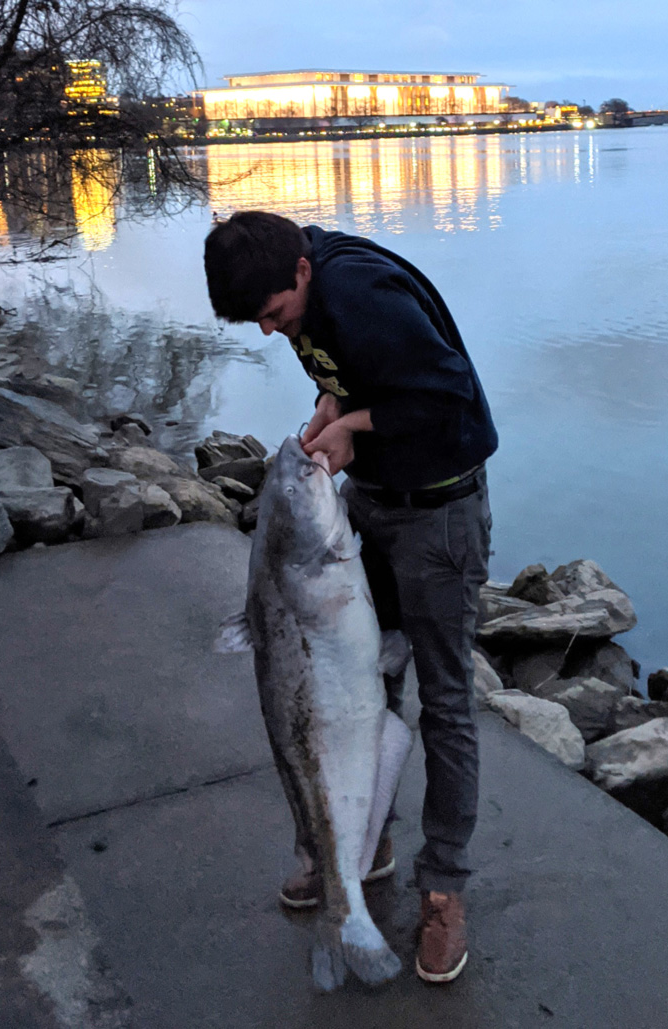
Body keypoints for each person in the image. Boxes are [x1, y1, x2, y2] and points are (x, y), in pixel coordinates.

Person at [204, 211, 498, 984]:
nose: (271, 333)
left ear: (301, 273)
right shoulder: (298, 289)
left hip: (439, 511)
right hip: (374, 497)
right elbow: (354, 373)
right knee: (369, 682)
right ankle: (363, 846)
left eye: (274, 315)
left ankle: (444, 889)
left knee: (443, 702)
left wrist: (357, 426)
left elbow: (449, 392)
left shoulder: (360, 290)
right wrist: (330, 417)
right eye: (258, 323)